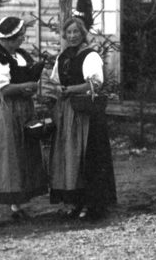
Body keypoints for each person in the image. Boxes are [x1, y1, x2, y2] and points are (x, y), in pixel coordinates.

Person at [49, 16, 117, 221]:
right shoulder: (62, 57)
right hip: (67, 112)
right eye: (68, 33)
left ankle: (91, 203)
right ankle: (75, 201)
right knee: (69, 158)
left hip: (86, 113)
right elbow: (55, 80)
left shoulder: (90, 56)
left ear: (82, 34)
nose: (72, 36)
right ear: (64, 35)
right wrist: (59, 90)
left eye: (76, 32)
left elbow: (94, 84)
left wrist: (69, 89)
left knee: (86, 157)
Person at [0, 16, 48, 227]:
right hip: (7, 110)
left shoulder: (20, 55)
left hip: (24, 108)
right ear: (9, 38)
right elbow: (5, 89)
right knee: (4, 155)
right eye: (20, 36)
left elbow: (30, 77)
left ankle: (16, 207)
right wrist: (26, 86)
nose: (22, 39)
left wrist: (33, 83)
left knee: (22, 154)